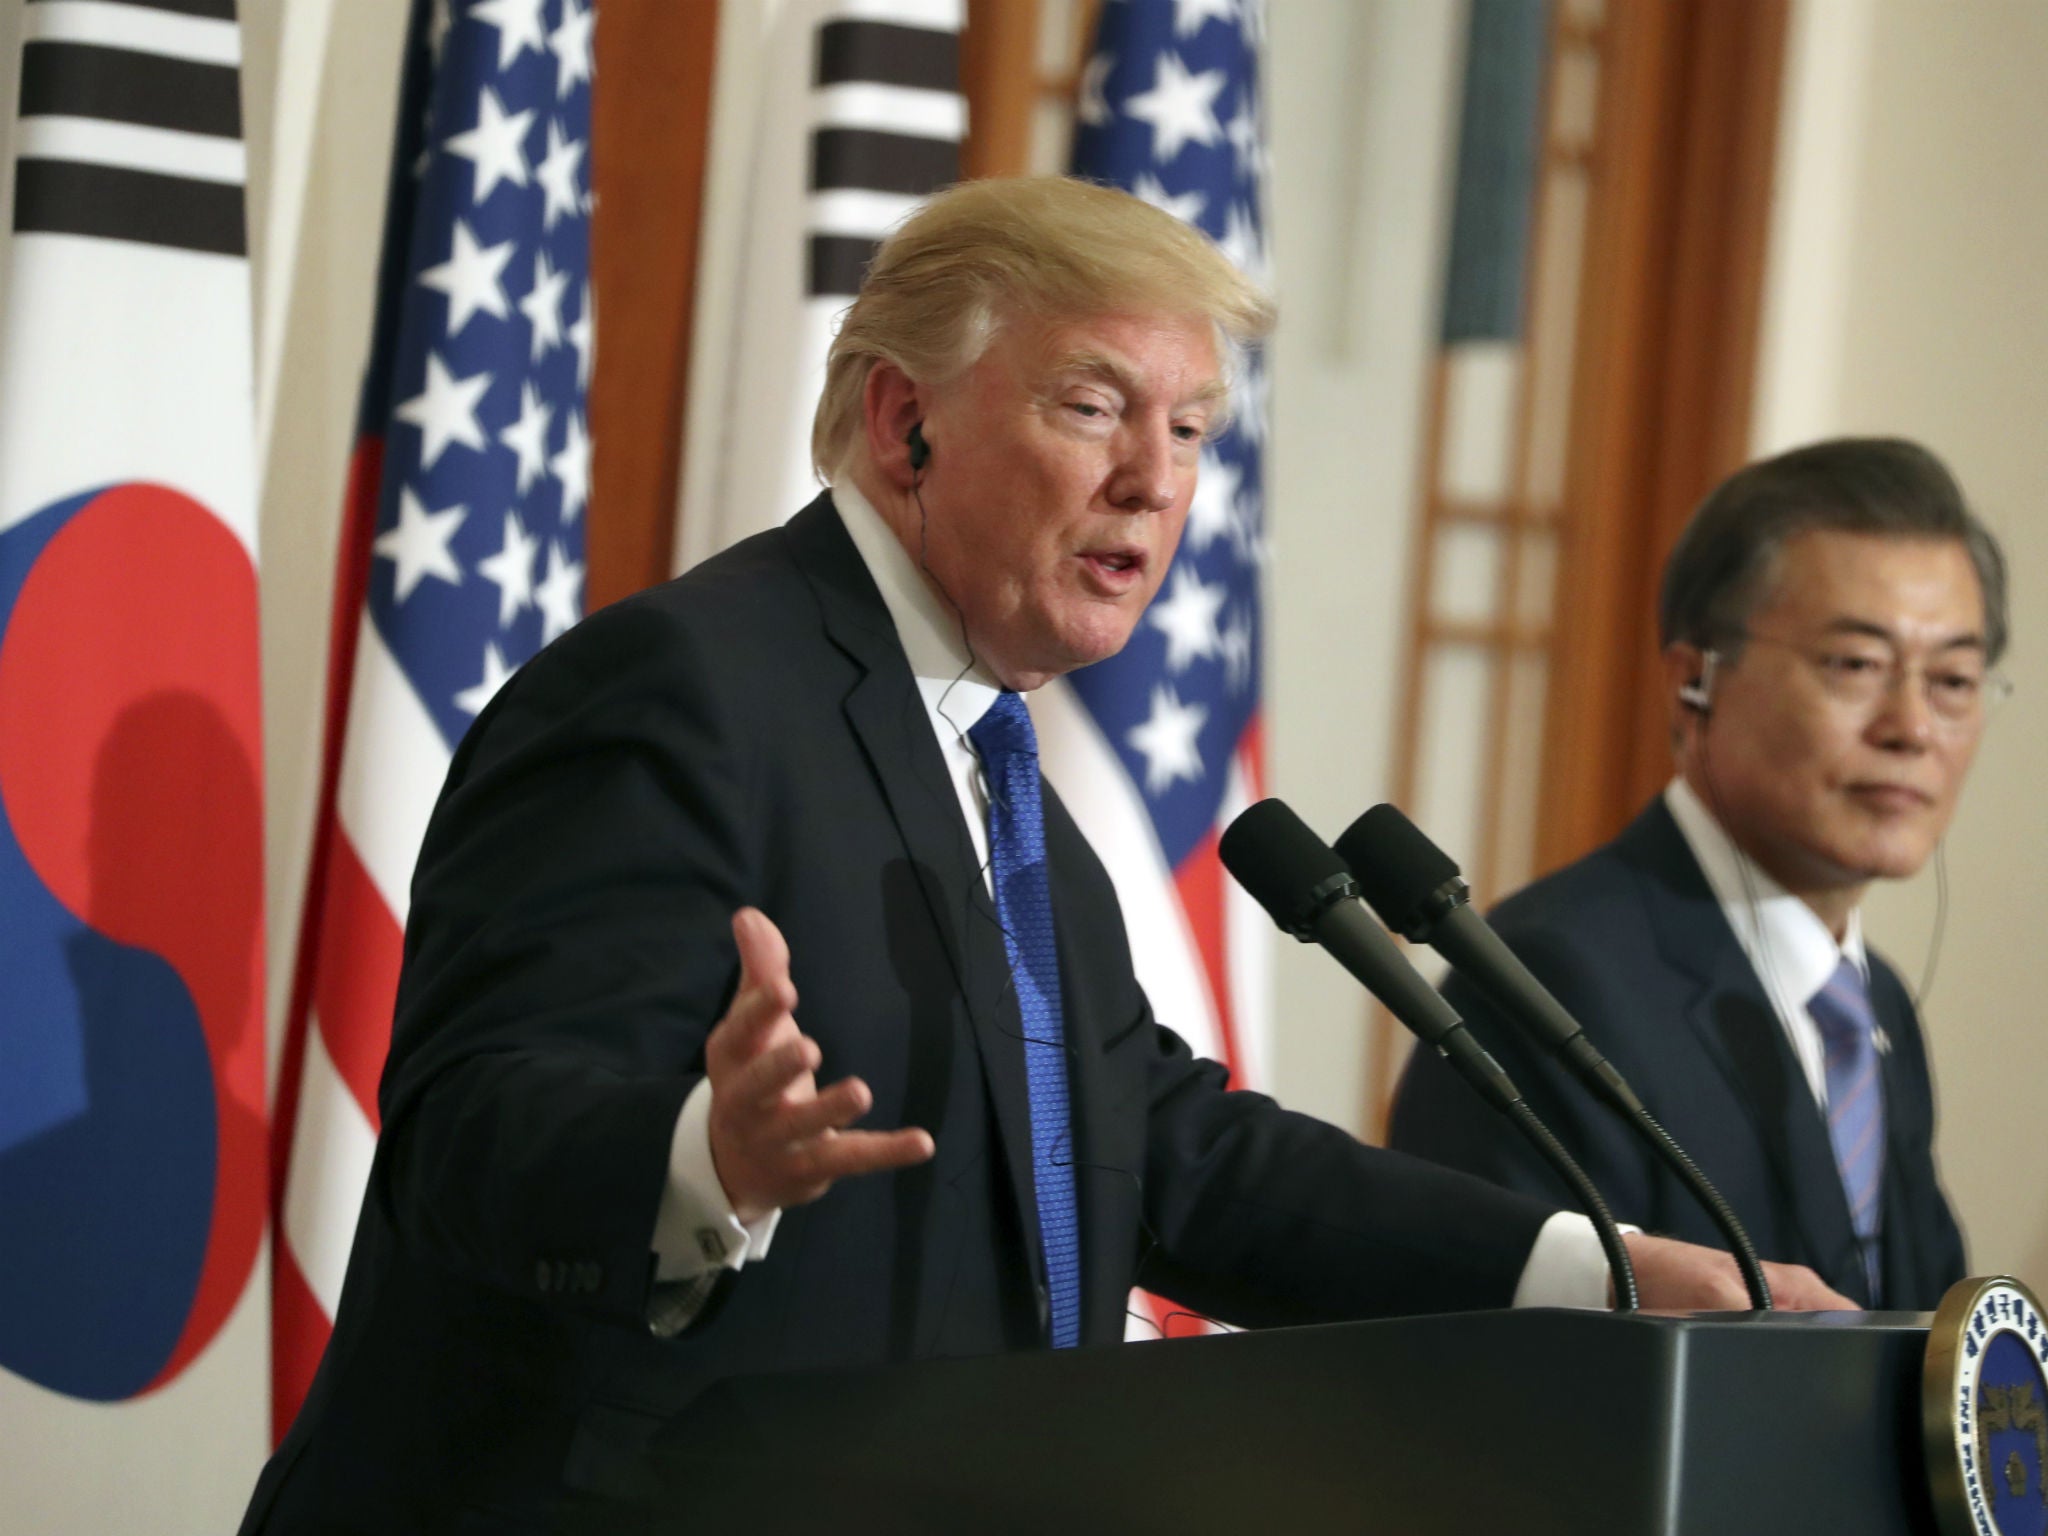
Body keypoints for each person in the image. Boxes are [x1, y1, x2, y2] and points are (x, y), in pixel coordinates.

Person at [240, 178, 1845, 1532]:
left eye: (1195, 430)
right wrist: (701, 1161)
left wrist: (1608, 1270)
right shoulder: (678, 695)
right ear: (901, 421)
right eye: (1094, 408)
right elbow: (477, 1123)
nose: (1158, 480)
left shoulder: (1006, 793)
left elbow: (1173, 1159)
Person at [1392, 437, 2002, 1312]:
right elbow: (1492, 1378)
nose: (1913, 727)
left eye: (1953, 678)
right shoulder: (1548, 981)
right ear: (1694, 683)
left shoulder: (1878, 1008)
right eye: (1858, 666)